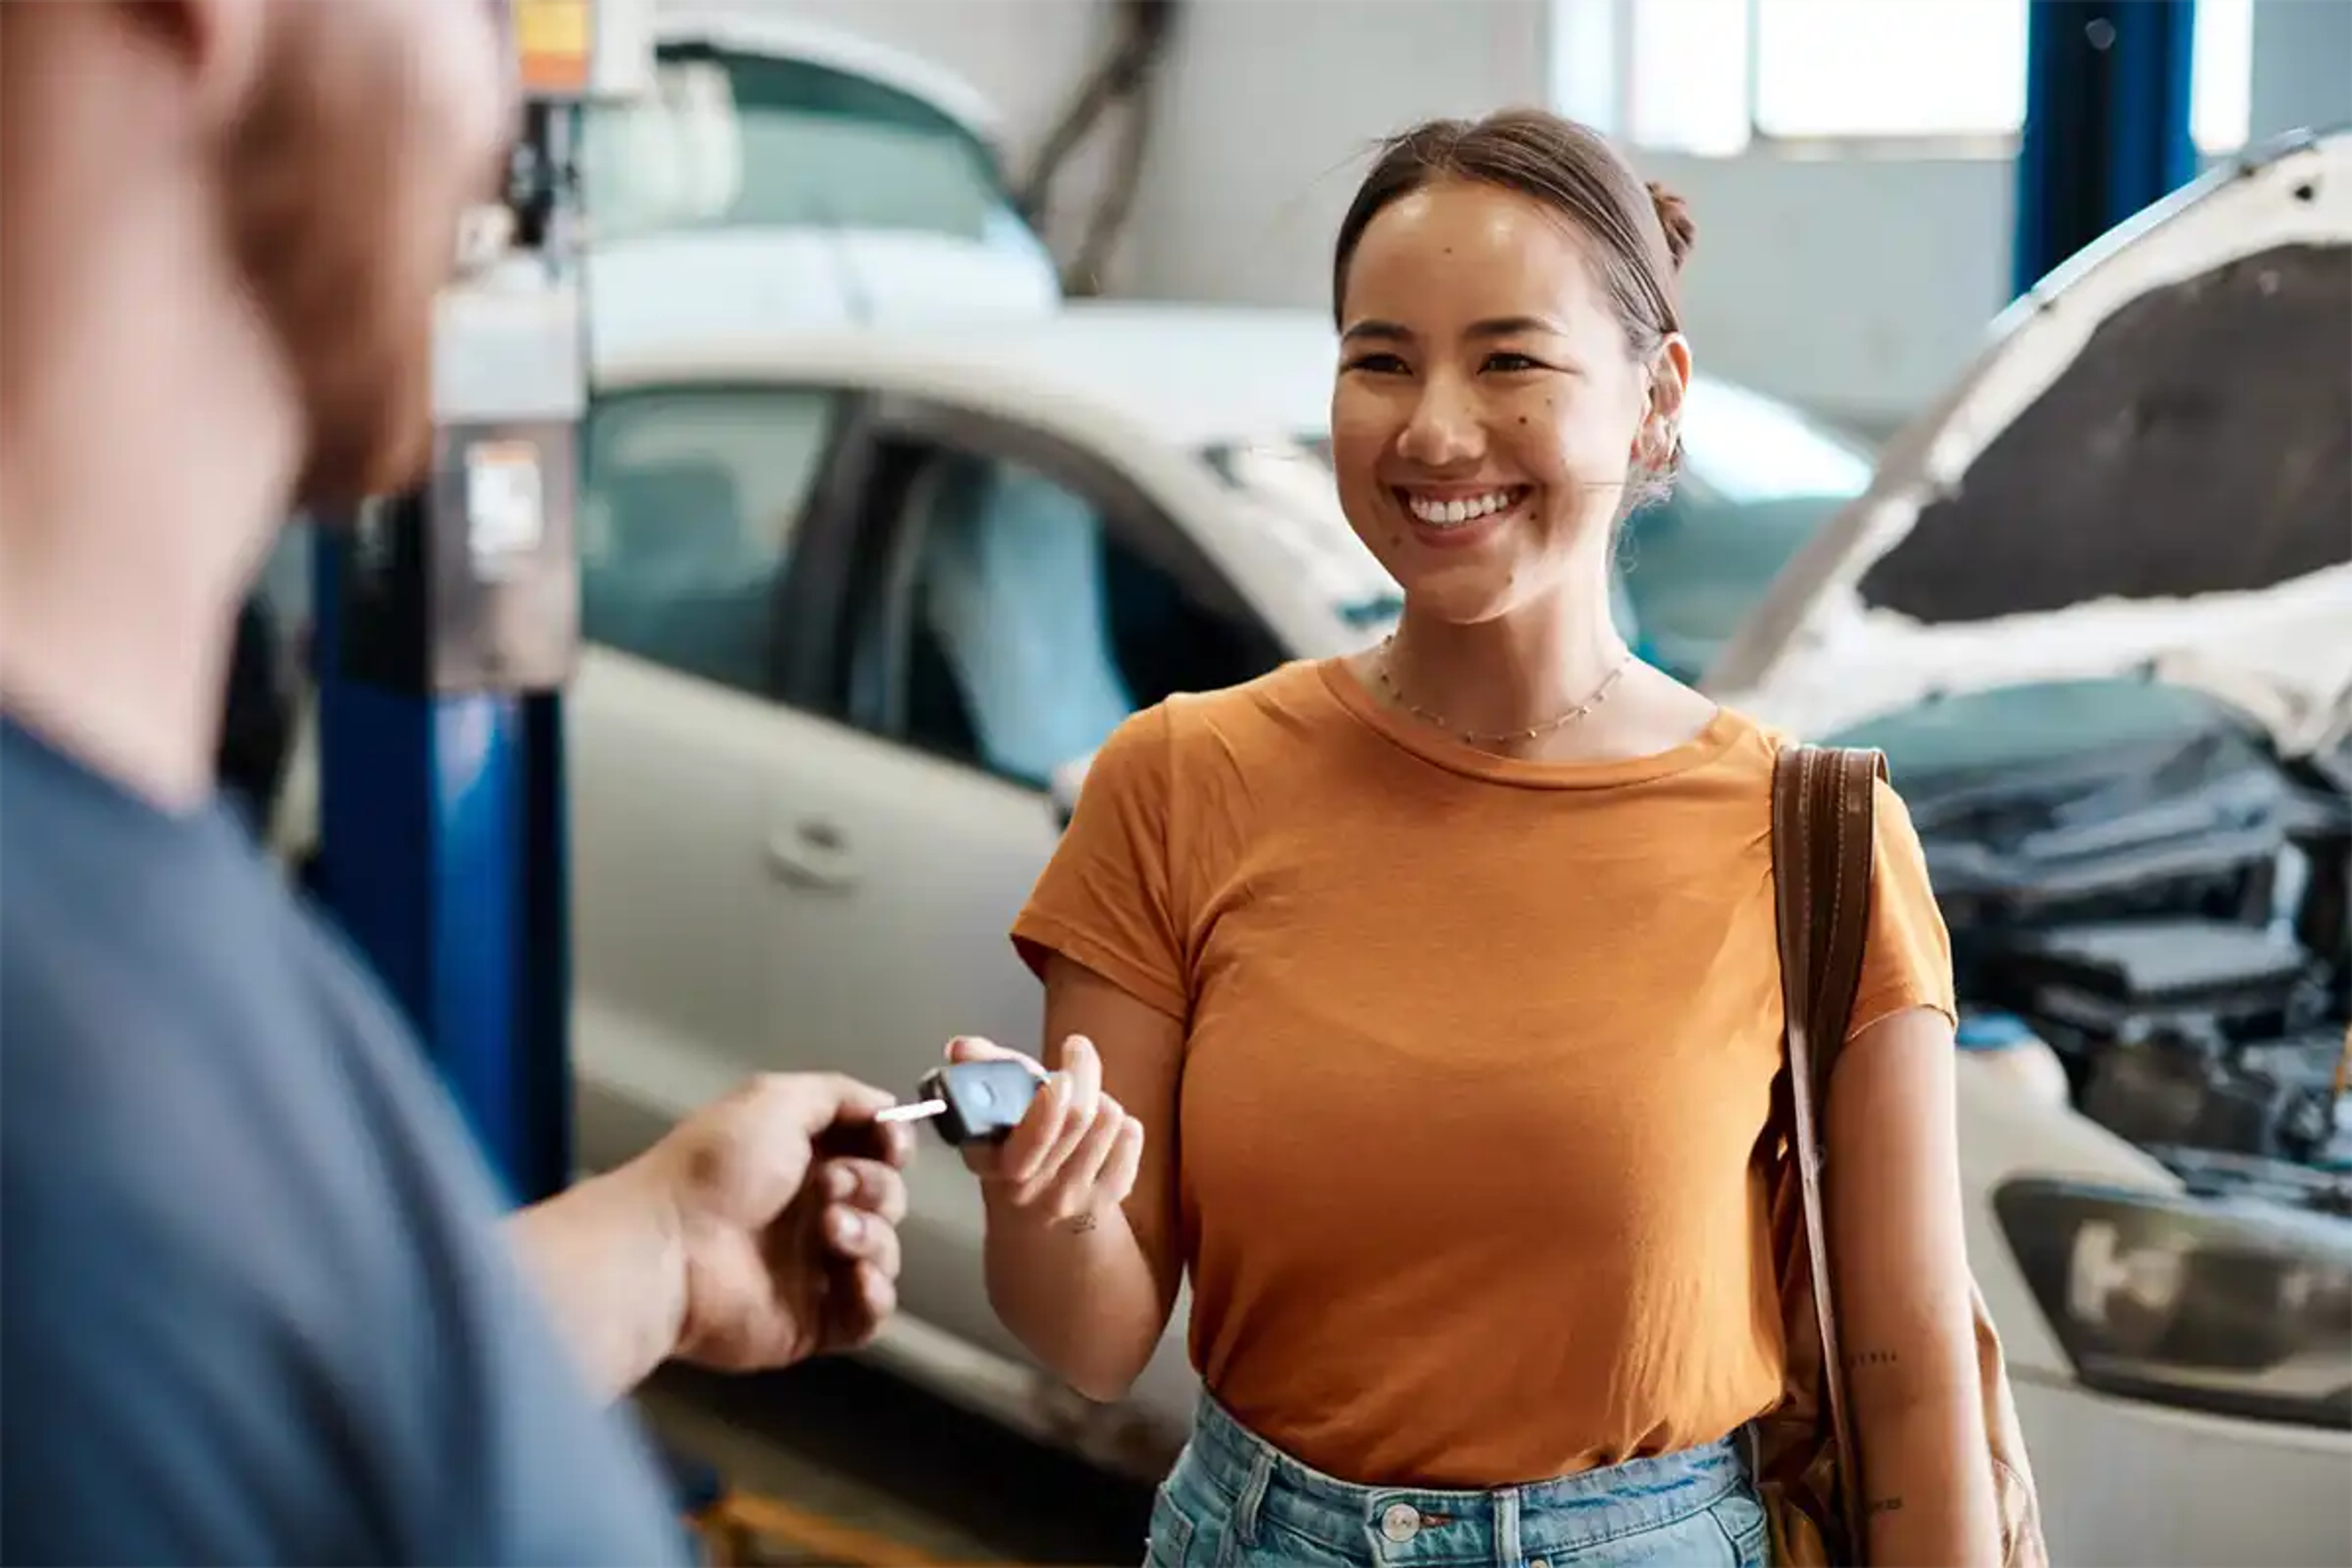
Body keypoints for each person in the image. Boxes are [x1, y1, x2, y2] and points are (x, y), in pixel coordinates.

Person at [951, 109, 2005, 1567]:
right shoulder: (1180, 780)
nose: (1434, 429)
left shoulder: (1809, 833)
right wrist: (1043, 1197)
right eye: (1379, 360)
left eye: (1510, 359)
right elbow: (1092, 1337)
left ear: (1654, 401)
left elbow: (1906, 1360)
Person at [0, 3, 908, 1562]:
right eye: (487, 14)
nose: (504, 114)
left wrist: (653, 1251)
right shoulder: (60, 1098)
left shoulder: (120, 914)